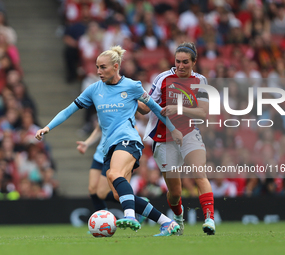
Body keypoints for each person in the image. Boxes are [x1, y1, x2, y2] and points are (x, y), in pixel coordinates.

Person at [35, 46, 183, 236]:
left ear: (115, 66)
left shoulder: (132, 86)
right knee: (117, 194)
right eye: (97, 67)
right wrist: (47, 127)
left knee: (114, 173)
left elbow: (155, 109)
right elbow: (68, 110)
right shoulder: (94, 90)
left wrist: (174, 130)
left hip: (129, 140)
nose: (98, 71)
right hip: (108, 147)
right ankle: (167, 223)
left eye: (103, 67)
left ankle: (130, 216)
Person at [138, 42, 216, 235]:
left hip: (189, 132)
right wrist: (132, 99)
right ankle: (179, 220)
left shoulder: (201, 80)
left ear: (194, 62)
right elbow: (146, 108)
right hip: (164, 138)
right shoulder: (162, 78)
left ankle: (209, 220)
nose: (180, 66)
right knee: (175, 193)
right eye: (178, 62)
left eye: (185, 62)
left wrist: (178, 108)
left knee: (200, 174)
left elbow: (203, 113)